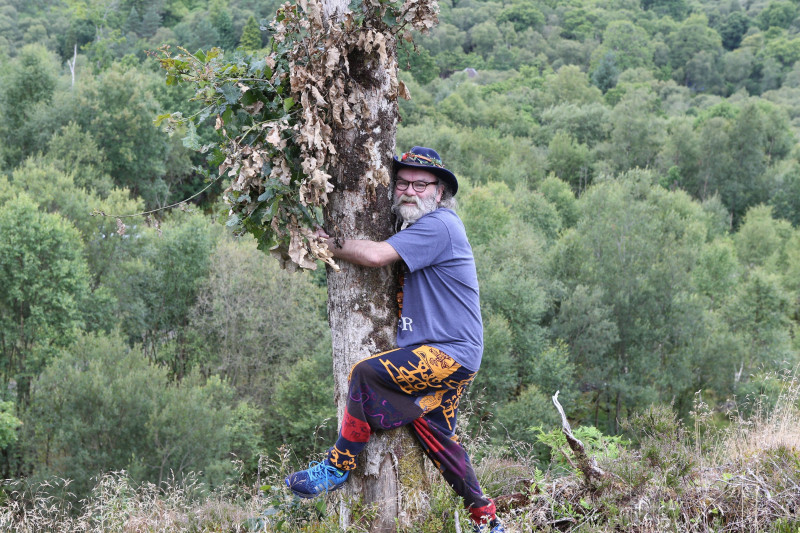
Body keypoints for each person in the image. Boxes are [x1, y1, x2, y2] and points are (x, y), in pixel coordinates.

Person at [285, 146, 504, 533]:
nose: (409, 190)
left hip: (448, 352)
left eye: (421, 184)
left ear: (440, 193)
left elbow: (372, 255)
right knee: (435, 436)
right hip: (451, 354)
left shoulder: (440, 225)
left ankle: (335, 467)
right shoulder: (418, 227)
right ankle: (486, 519)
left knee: (366, 373)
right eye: (402, 182)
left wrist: (325, 240)